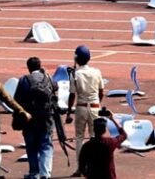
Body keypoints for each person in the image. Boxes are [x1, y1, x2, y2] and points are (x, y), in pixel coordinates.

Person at [14, 56, 58, 179]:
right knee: (46, 145)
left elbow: (17, 99)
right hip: (46, 119)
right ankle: (45, 173)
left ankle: (34, 173)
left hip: (30, 120)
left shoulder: (24, 80)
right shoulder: (48, 78)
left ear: (28, 68)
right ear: (40, 66)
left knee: (31, 146)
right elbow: (55, 87)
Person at [67, 44, 104, 174]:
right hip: (94, 106)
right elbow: (101, 91)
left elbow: (72, 94)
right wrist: (98, 103)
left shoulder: (75, 74)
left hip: (81, 107)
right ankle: (95, 166)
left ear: (77, 59)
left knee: (79, 138)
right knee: (95, 137)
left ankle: (80, 167)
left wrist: (68, 112)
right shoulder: (96, 72)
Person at [78, 115, 127, 179]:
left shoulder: (87, 146)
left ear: (94, 130)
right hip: (108, 176)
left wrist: (87, 174)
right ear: (104, 130)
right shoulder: (110, 142)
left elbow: (81, 165)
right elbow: (123, 135)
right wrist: (114, 120)